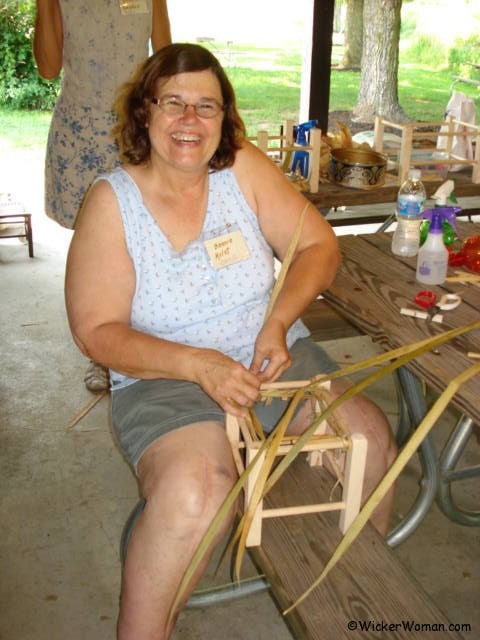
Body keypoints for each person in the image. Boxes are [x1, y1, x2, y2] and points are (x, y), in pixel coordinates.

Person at [65, 43, 398, 640]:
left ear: (225, 119)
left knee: (368, 440)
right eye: (173, 103)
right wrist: (199, 365)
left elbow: (319, 246)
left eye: (207, 107)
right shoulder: (112, 202)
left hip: (266, 357)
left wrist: (277, 320)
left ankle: (345, 601)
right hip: (163, 376)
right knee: (197, 493)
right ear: (145, 111)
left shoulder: (240, 166)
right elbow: (97, 332)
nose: (190, 120)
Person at [33, 0, 172, 391]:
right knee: (96, 254)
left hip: (135, 131)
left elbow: (165, 61)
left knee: (143, 240)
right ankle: (105, 355)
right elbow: (47, 67)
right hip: (81, 135)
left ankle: (145, 340)